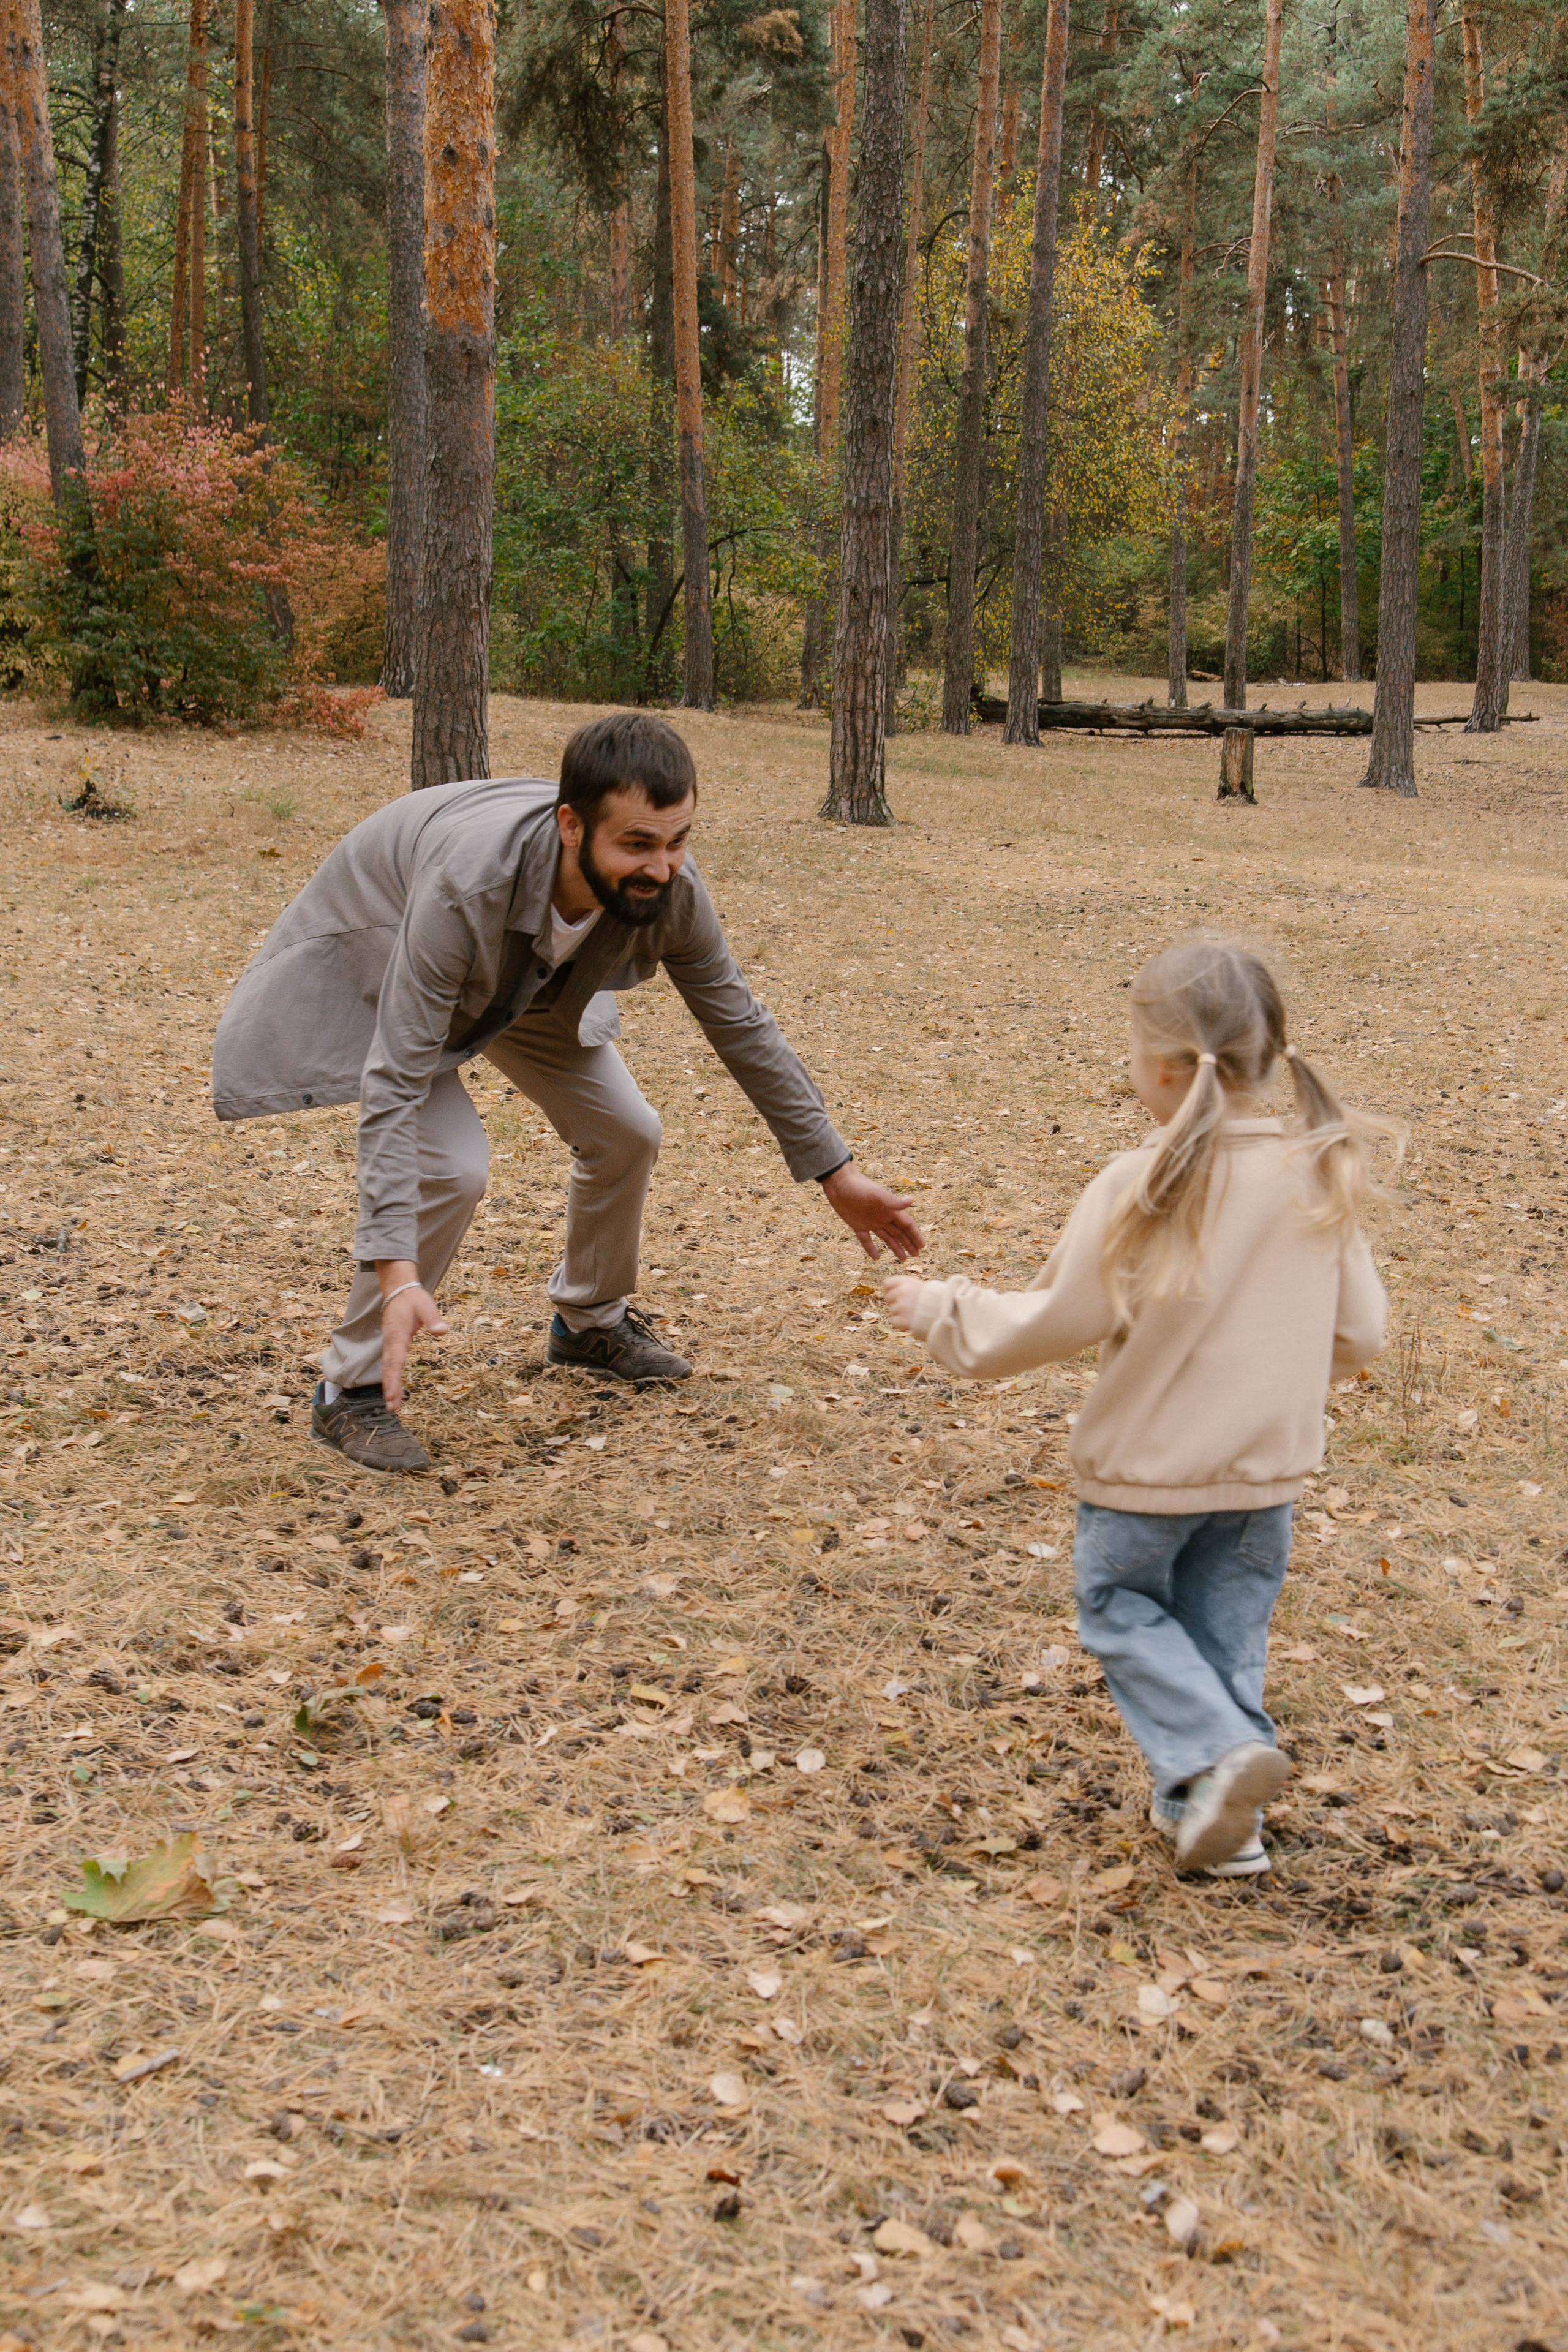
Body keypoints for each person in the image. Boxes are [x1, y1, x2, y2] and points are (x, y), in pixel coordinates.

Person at [212, 712, 923, 1472]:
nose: (662, 869)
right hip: (394, 951)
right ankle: (349, 1389)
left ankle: (589, 1320)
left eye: (677, 841)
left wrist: (835, 1170)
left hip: (529, 979)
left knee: (627, 1131)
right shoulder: (466, 888)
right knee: (452, 1166)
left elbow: (740, 1023)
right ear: (571, 826)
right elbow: (396, 1076)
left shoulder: (671, 890)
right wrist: (396, 1272)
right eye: (637, 845)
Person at [885, 941, 1391, 1879]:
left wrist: (942, 1310)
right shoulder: (1315, 1174)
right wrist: (1272, 1372)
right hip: (1263, 1477)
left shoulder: (1143, 1183)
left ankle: (1217, 1760)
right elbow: (1360, 1333)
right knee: (1225, 1636)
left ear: (1159, 1066)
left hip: (1145, 1477)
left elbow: (1054, 1320)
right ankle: (1218, 1816)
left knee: (1121, 1610)